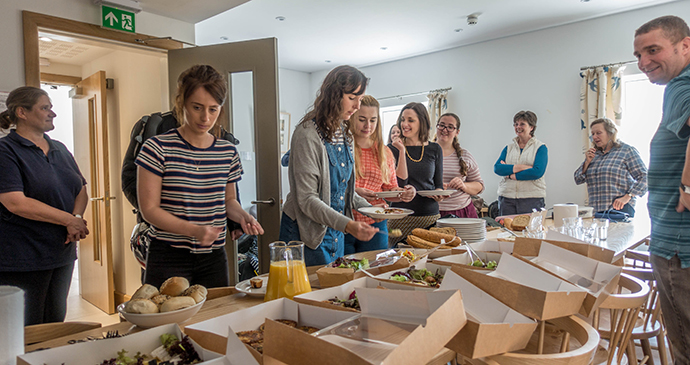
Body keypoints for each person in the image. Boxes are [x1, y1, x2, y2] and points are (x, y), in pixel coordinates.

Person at [136, 65, 263, 289]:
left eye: (213, 109)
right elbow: (149, 209)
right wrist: (194, 231)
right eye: (197, 107)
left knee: (212, 320)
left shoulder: (227, 151)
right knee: (166, 323)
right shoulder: (157, 148)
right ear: (181, 103)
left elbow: (228, 201)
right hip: (167, 255)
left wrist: (243, 216)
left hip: (213, 257)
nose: (205, 117)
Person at [0, 86, 89, 325]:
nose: (53, 114)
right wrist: (69, 220)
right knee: (26, 329)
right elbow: (15, 202)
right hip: (24, 258)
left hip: (61, 254)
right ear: (22, 112)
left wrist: (76, 217)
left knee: (55, 322)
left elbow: (81, 189)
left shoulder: (60, 148)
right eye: (45, 108)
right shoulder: (5, 151)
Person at [280, 65, 377, 266]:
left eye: (360, 99)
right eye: (352, 98)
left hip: (335, 230)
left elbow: (342, 191)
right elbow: (307, 199)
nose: (358, 106)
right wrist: (348, 225)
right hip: (305, 233)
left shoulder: (345, 133)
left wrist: (374, 210)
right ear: (334, 94)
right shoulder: (307, 134)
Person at [634, 15, 690, 363]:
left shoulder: (681, 85)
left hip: (678, 248)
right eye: (638, 54)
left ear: (685, 46)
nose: (643, 63)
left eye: (653, 50)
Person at [345, 95, 416, 254]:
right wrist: (356, 192)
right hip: (344, 223)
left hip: (375, 223)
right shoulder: (343, 147)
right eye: (362, 119)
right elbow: (333, 186)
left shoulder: (384, 152)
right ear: (352, 118)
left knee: (376, 269)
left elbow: (389, 189)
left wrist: (402, 194)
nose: (367, 125)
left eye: (373, 120)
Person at [387, 102, 444, 247]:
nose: (405, 124)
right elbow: (397, 185)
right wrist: (401, 150)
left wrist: (439, 193)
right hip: (399, 217)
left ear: (422, 122)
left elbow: (438, 184)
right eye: (402, 120)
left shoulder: (435, 149)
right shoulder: (391, 149)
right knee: (396, 262)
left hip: (429, 216)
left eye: (410, 120)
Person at [573, 118, 647, 217]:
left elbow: (646, 177)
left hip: (619, 211)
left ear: (611, 133)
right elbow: (578, 179)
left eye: (598, 133)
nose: (595, 137)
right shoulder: (594, 155)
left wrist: (628, 196)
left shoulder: (627, 151)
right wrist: (587, 162)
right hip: (596, 213)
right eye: (593, 134)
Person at [493, 111, 548, 216]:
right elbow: (497, 168)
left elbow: (537, 172)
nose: (518, 127)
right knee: (506, 231)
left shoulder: (540, 147)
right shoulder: (508, 148)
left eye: (522, 124)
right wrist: (522, 167)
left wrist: (511, 175)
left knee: (530, 231)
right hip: (507, 198)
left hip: (532, 198)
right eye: (516, 124)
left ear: (531, 127)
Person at [434, 113, 484, 218]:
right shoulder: (423, 154)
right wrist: (434, 187)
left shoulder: (465, 155)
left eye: (450, 127)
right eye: (441, 125)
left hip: (463, 212)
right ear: (436, 127)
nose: (445, 129)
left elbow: (479, 186)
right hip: (432, 212)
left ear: (457, 132)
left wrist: (463, 185)